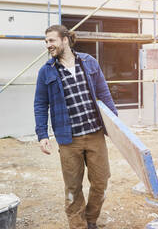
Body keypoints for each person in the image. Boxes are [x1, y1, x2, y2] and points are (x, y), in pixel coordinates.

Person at [34, 24, 118, 229]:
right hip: (68, 139)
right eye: (46, 42)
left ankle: (90, 220)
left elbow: (104, 93)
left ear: (65, 40)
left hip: (95, 134)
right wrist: (42, 134)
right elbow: (40, 104)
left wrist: (115, 126)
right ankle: (78, 225)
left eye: (51, 40)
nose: (48, 45)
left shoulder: (89, 62)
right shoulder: (46, 71)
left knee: (101, 182)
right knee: (73, 188)